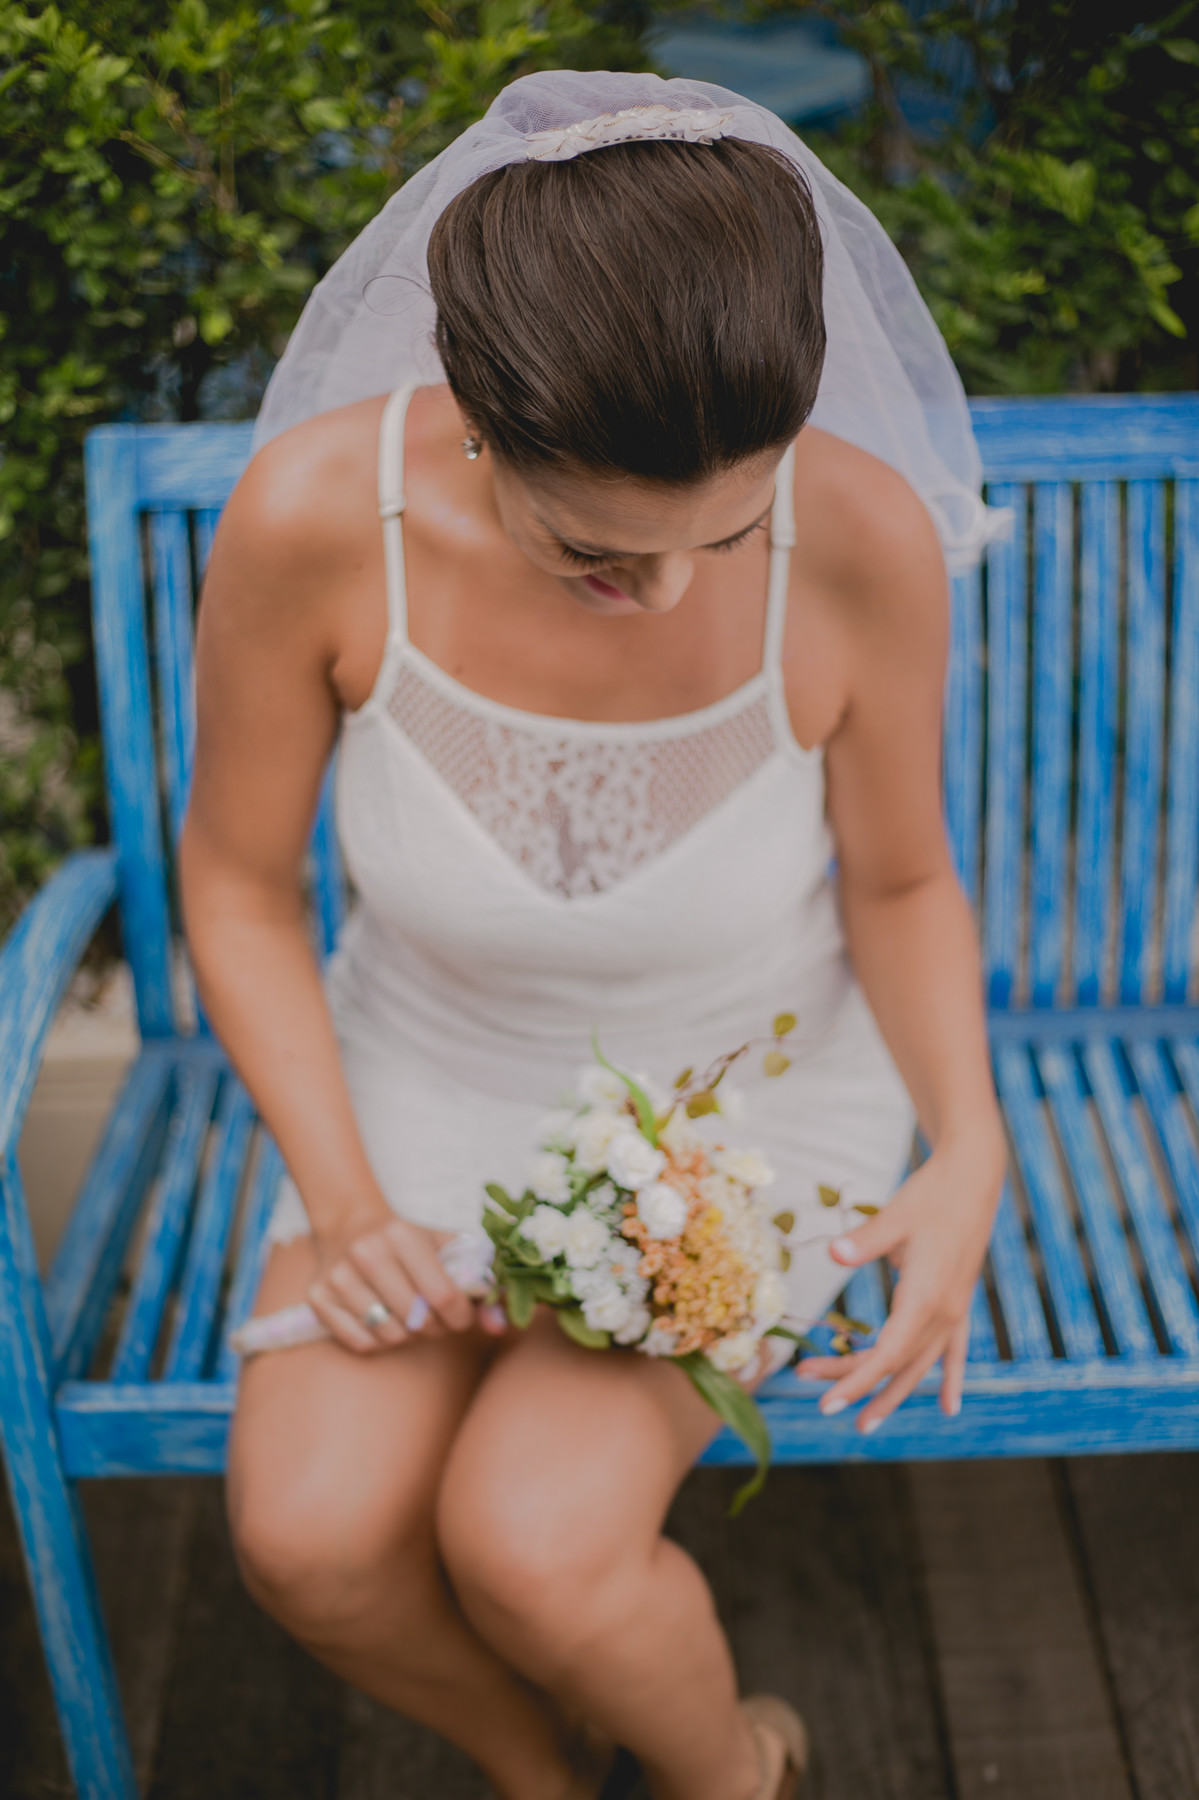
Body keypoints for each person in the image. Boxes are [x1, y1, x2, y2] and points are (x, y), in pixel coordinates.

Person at [179, 71, 1006, 1800]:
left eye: (734, 527)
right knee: (312, 1541)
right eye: (600, 553)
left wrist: (971, 1146)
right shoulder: (319, 528)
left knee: (534, 1545)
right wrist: (342, 1203)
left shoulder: (858, 542)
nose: (682, 591)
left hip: (746, 1098)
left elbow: (905, 882)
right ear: (473, 416)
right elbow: (242, 886)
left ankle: (735, 1778)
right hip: (419, 1080)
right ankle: (543, 1775)